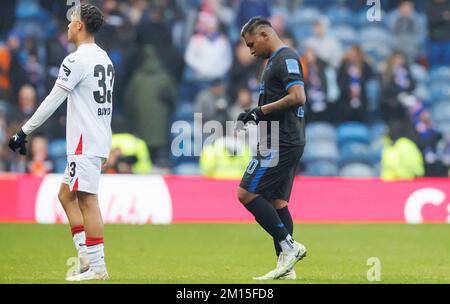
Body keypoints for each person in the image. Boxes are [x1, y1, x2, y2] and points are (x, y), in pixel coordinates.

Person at [8, 4, 112, 281]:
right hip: (98, 137)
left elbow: (52, 100)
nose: (67, 26)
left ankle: (98, 269)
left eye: (71, 21)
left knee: (88, 200)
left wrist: (24, 131)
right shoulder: (105, 58)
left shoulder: (76, 60)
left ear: (80, 26)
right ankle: (85, 259)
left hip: (84, 142)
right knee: (66, 196)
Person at [237, 17, 307, 280]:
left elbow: (298, 96)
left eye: (251, 43)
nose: (250, 50)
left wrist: (260, 110)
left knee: (245, 194)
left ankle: (290, 247)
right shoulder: (272, 62)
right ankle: (286, 268)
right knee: (278, 202)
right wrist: (257, 115)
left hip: (281, 140)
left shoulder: (286, 57)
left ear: (265, 34)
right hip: (278, 138)